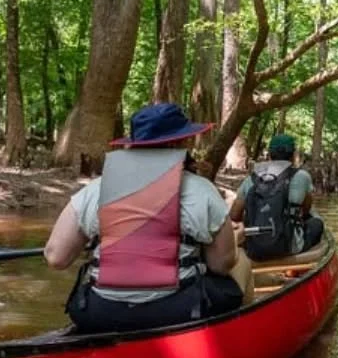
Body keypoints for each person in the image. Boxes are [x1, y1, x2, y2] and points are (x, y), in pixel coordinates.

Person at [44, 102, 253, 332]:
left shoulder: (97, 189)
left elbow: (56, 257)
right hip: (178, 311)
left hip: (100, 312)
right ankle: (241, 338)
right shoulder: (201, 190)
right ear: (178, 143)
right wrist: (235, 241)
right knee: (240, 259)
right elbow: (221, 264)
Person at [229, 133, 324, 260]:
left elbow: (234, 215)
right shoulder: (302, 176)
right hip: (288, 247)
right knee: (317, 223)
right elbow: (306, 209)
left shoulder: (252, 179)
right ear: (293, 155)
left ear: (269, 155)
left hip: (255, 248)